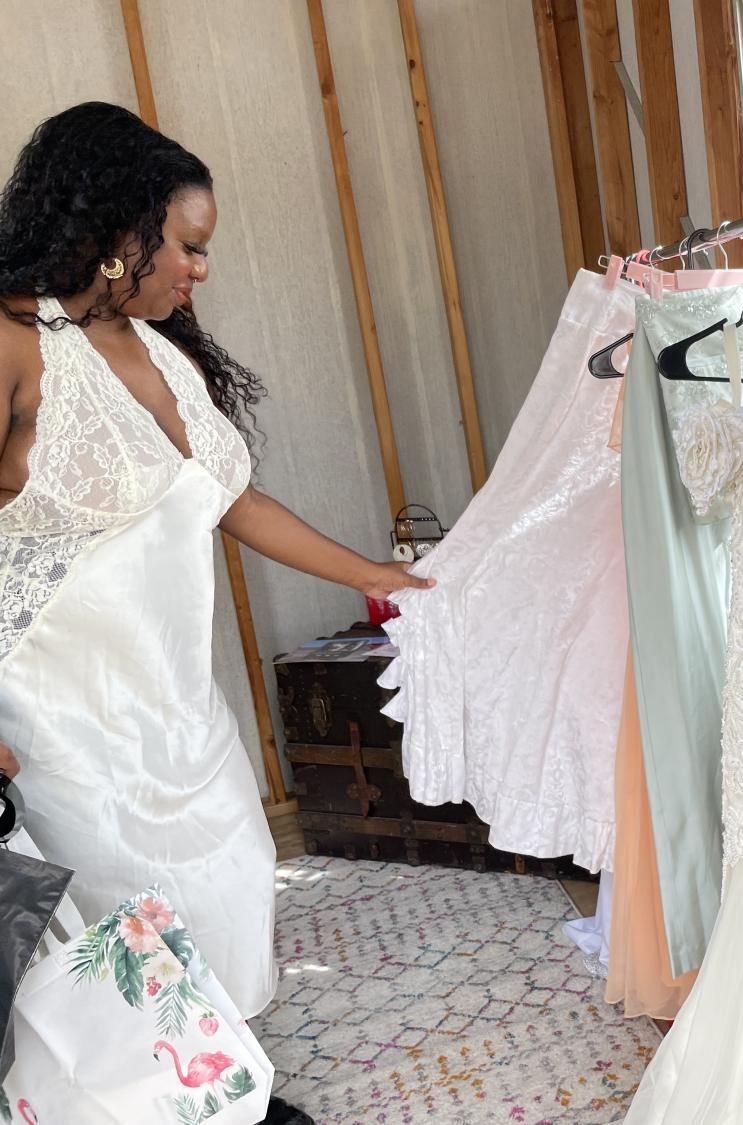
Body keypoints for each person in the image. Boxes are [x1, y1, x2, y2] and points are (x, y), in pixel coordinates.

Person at [0, 102, 430, 1123]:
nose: (200, 269)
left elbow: (231, 500)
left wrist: (382, 574)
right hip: (52, 711)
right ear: (118, 237)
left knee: (228, 886)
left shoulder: (158, 347)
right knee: (121, 943)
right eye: (188, 246)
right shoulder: (12, 341)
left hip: (171, 703)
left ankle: (209, 1093)